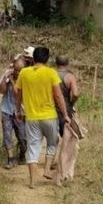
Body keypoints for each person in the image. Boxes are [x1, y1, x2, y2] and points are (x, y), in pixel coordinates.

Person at [15, 46, 71, 189]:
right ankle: (46, 169)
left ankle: (32, 181)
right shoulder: (51, 73)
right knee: (53, 142)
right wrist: (65, 114)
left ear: (33, 58)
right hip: (49, 116)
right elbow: (58, 95)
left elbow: (18, 93)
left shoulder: (24, 73)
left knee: (33, 147)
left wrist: (18, 110)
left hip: (32, 117)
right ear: (47, 59)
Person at [0, 57, 27, 168]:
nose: (17, 72)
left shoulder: (25, 79)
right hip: (7, 110)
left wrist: (13, 81)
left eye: (20, 70)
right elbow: (1, 90)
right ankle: (10, 159)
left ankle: (22, 154)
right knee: (7, 135)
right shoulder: (8, 74)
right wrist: (5, 79)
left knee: (23, 137)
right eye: (16, 69)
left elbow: (18, 95)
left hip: (20, 112)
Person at [55, 55, 80, 136]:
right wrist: (72, 103)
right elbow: (75, 94)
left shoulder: (51, 74)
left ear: (56, 63)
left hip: (51, 107)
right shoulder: (70, 76)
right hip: (65, 108)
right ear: (67, 63)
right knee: (66, 135)